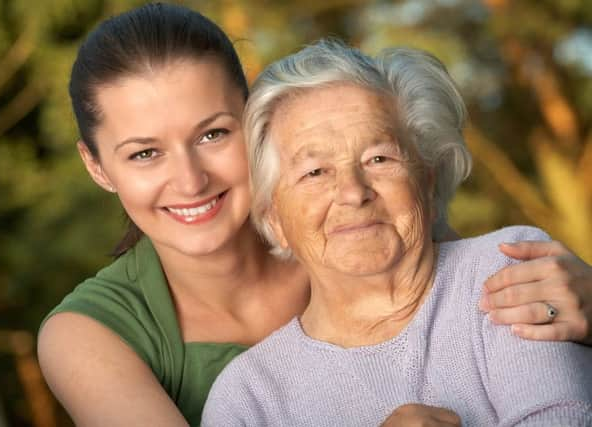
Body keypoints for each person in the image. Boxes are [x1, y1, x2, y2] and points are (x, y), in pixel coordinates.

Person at [36, 3, 592, 426]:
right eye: (144, 153)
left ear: (257, 128)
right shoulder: (89, 338)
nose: (189, 180)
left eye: (213, 133)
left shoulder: (367, 234)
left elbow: (465, 307)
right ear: (98, 166)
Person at [201, 39, 592, 426]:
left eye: (379, 158)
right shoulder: (249, 398)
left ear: (428, 181)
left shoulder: (505, 269)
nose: (353, 192)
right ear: (274, 222)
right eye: (315, 172)